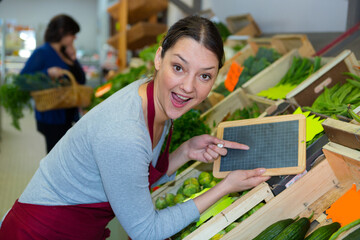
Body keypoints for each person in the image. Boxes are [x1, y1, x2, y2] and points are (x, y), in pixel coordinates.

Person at [0, 15, 270, 240]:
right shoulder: (124, 132)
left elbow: (135, 176)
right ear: (158, 58)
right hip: (41, 231)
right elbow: (146, 231)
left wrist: (185, 151)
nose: (188, 87)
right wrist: (224, 188)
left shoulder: (153, 95)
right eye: (178, 67)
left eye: (204, 76)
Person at [20, 14, 86, 153]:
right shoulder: (42, 53)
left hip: (69, 114)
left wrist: (73, 58)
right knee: (56, 157)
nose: (75, 37)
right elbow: (22, 80)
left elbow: (80, 79)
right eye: (73, 33)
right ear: (62, 31)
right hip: (52, 117)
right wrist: (47, 73)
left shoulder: (65, 52)